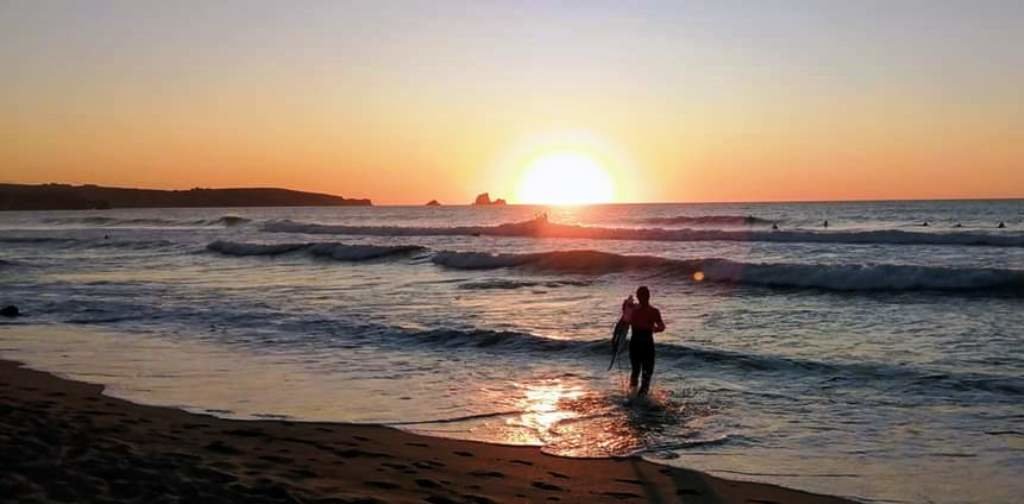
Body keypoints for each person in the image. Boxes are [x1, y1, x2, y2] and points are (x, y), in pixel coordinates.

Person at [625, 286, 665, 396]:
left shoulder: (636, 310)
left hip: (638, 343)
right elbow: (661, 327)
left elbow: (661, 327)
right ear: (648, 296)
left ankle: (634, 396)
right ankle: (640, 397)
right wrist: (654, 329)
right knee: (644, 372)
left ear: (639, 297)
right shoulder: (651, 311)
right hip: (645, 344)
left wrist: (626, 307)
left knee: (638, 371)